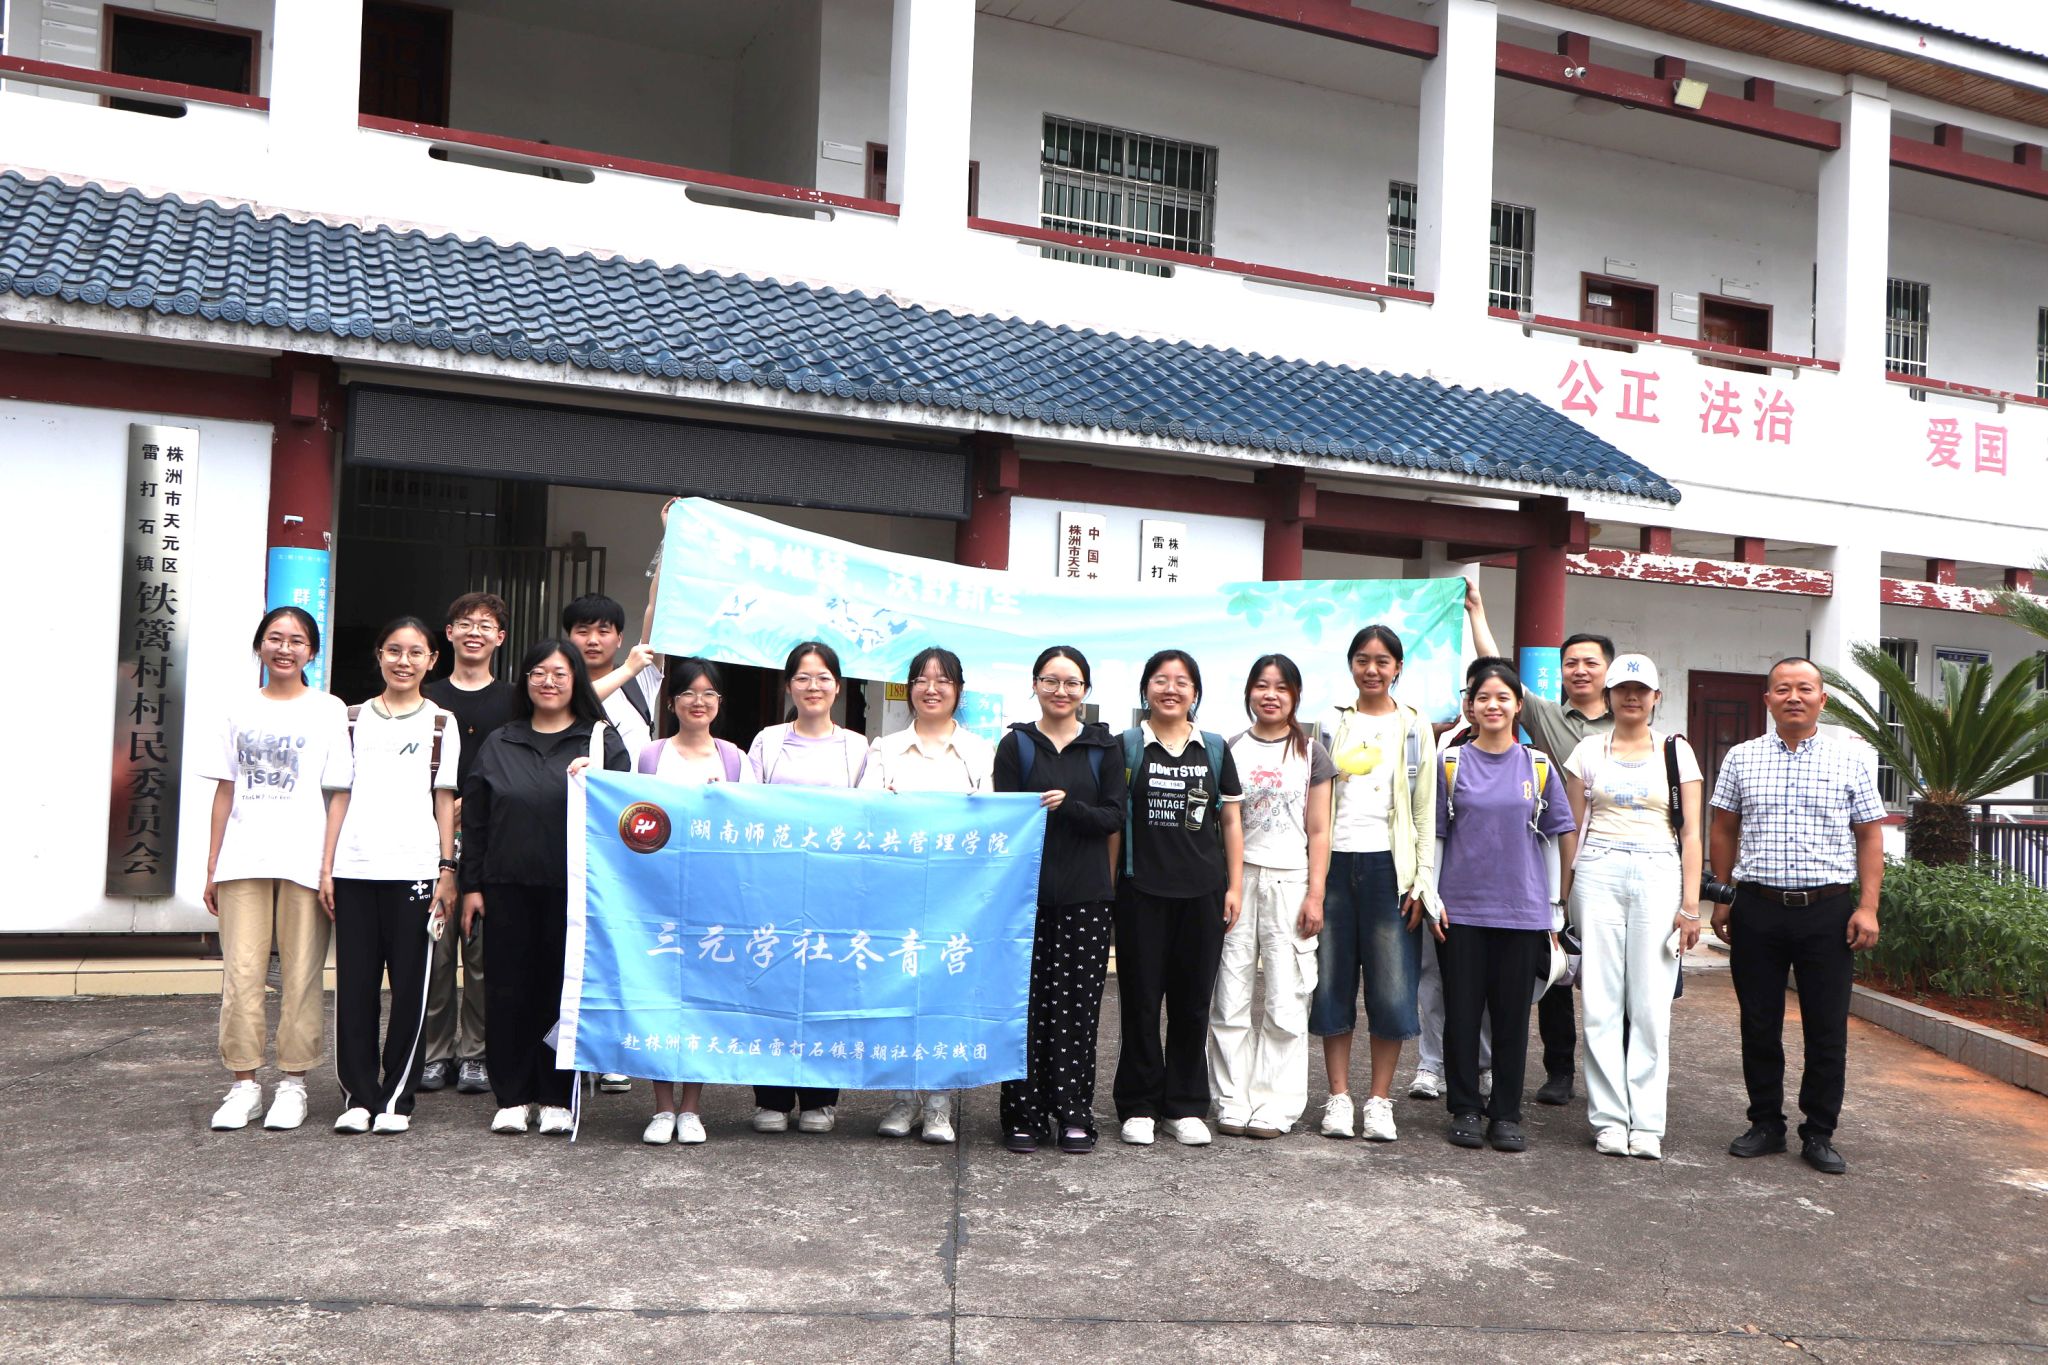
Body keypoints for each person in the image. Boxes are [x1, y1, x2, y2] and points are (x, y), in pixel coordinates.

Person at [1710, 657, 1885, 1176]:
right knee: (1759, 1023)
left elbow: (1869, 835)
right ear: (1767, 700)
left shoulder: (1850, 760)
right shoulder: (1741, 757)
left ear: (1821, 699)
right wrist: (1723, 895)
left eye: (1804, 689)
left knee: (1826, 1028)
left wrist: (1868, 906)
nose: (1794, 697)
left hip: (1827, 912)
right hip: (1757, 909)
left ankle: (1819, 1132)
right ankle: (1765, 1123)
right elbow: (1723, 827)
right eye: (1782, 689)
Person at [460, 639, 630, 1136]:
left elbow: (628, 811)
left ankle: (557, 1095)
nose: (548, 682)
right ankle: (512, 1096)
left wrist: (601, 779)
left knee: (565, 992)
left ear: (577, 680)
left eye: (559, 673)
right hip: (505, 885)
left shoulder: (599, 740)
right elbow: (476, 819)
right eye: (538, 673)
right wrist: (471, 884)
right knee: (507, 991)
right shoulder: (501, 740)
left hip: (575, 891)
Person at [198, 606, 352, 1133]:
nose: (285, 648)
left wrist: (329, 865)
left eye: (297, 640)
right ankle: (244, 1085)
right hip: (243, 859)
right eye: (275, 638)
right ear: (260, 645)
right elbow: (225, 790)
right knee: (241, 975)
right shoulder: (236, 708)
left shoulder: (329, 710)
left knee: (302, 974)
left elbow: (338, 793)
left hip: (305, 861)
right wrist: (212, 863)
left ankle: (293, 1084)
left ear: (312, 651)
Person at [1466, 578, 1613, 1107]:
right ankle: (1560, 1070)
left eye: (1590, 663)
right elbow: (1496, 672)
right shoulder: (1550, 715)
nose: (1579, 670)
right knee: (1556, 964)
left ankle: (1612, 1078)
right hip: (1561, 855)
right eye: (1570, 662)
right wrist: (1477, 612)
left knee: (1608, 973)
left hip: (1614, 857)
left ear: (1609, 671)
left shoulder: (1630, 721)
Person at [321, 617, 461, 1135]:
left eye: (416, 652)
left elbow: (444, 800)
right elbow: (340, 796)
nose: (404, 661)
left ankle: (397, 1097)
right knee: (354, 989)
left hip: (416, 872)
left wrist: (447, 870)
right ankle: (358, 1096)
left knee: (411, 991)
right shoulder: (351, 719)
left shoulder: (441, 723)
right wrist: (327, 867)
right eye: (394, 651)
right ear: (379, 655)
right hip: (356, 869)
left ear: (432, 660)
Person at [1561, 653, 1702, 1160]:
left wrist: (1691, 906)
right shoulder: (1586, 751)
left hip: (1659, 871)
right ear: (1609, 696)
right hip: (1596, 871)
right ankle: (1608, 1121)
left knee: (1650, 1005)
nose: (1632, 697)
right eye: (1623, 689)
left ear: (1656, 697)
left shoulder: (1676, 752)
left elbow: (1691, 833)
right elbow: (1571, 830)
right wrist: (1562, 899)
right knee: (1600, 1003)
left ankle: (1646, 1124)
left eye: (1641, 690)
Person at [1433, 659, 1577, 1153]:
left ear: (1518, 705)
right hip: (1461, 911)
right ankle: (1465, 1108)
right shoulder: (1451, 763)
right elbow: (1438, 835)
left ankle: (1506, 1113)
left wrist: (1555, 907)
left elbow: (1554, 837)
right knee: (1462, 1014)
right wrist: (1433, 897)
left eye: (1502, 698)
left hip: (1521, 911)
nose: (1492, 705)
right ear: (1470, 706)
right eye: (1482, 698)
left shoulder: (1537, 766)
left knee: (1513, 1018)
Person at [859, 647, 996, 1146]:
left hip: (957, 898)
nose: (931, 689)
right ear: (909, 688)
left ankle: (939, 1104)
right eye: (921, 679)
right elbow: (865, 813)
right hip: (896, 893)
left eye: (943, 681)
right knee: (897, 993)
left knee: (946, 996)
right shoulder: (885, 748)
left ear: (959, 691)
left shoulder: (980, 751)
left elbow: (996, 821)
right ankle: (903, 1098)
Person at [993, 646, 1127, 1155]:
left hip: (1086, 897)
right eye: (1050, 680)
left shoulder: (1103, 747)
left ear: (1085, 691)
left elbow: (1114, 817)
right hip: (1024, 898)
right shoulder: (1016, 745)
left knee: (1077, 1009)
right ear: (1034, 685)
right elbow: (1002, 820)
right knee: (1024, 1007)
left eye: (1072, 683)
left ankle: (1074, 1114)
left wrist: (1069, 808)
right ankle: (1023, 1115)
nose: (1060, 691)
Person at [1113, 650, 1244, 1148]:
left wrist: (1234, 886)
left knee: (1192, 1005)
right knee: (1141, 1003)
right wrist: (1109, 887)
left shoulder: (1213, 748)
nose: (1171, 689)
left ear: (1195, 692)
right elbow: (1115, 822)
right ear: (1145, 688)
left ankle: (1185, 1106)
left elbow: (1230, 819)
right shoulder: (1127, 746)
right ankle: (1139, 1106)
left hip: (1202, 894)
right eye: (1161, 680)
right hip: (1140, 892)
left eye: (1182, 681)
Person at [1310, 627, 1436, 1143]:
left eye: (1383, 661)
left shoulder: (1414, 726)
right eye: (1362, 660)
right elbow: (1313, 800)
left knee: (1392, 986)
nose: (1372, 670)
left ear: (1398, 667)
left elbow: (1425, 811)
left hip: (1391, 869)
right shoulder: (1328, 723)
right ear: (1350, 665)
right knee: (1331, 982)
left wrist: (1422, 881)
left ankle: (1379, 1101)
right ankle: (1338, 1097)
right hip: (1334, 865)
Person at [746, 640, 869, 1135]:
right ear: (789, 686)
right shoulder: (768, 741)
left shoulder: (857, 746)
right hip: (775, 887)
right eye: (803, 677)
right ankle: (771, 1098)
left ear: (838, 687)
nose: (813, 686)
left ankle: (821, 1099)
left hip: (834, 890)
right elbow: (745, 805)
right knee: (772, 986)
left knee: (826, 989)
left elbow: (868, 816)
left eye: (823, 678)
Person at [1209, 654, 1334, 1138]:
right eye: (1262, 685)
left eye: (1281, 687)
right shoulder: (1230, 749)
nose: (1271, 695)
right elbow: (1224, 823)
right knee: (1230, 994)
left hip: (1291, 882)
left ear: (1295, 696)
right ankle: (1231, 1099)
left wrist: (1316, 894)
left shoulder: (1312, 754)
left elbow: (1319, 831)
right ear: (1249, 692)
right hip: (1238, 881)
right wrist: (1229, 885)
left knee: (1286, 997)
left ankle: (1275, 1105)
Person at [634, 658, 754, 1147]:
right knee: (660, 997)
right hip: (657, 894)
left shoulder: (735, 760)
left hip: (714, 897)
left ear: (719, 702)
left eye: (708, 693)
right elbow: (632, 818)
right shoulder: (650, 756)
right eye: (688, 693)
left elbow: (753, 826)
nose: (698, 702)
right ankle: (662, 1106)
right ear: (672, 701)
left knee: (702, 999)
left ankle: (692, 1108)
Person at [563, 590, 661, 1096]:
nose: (593, 639)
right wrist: (626, 669)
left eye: (604, 630)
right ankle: (572, 1050)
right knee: (573, 943)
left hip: (632, 836)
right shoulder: (558, 682)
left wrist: (669, 553)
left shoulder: (644, 679)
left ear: (621, 638)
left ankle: (614, 1051)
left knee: (621, 942)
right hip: (574, 832)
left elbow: (659, 613)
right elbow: (578, 701)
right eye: (583, 630)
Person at [420, 591, 516, 1096]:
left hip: (490, 842)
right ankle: (435, 1053)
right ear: (449, 633)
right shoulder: (426, 695)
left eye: (485, 625)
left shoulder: (515, 699)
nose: (474, 632)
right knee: (436, 954)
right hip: (427, 841)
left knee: (481, 955)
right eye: (465, 623)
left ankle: (476, 1053)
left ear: (500, 638)